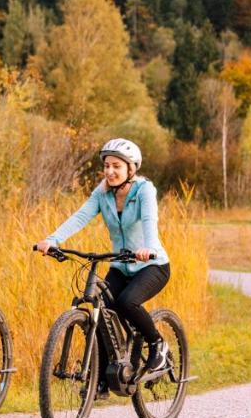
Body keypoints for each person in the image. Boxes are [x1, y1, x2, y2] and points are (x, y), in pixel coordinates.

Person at [34, 138, 172, 375]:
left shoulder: (144, 190)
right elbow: (80, 217)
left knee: (127, 301)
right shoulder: (103, 192)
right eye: (107, 165)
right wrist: (53, 240)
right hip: (121, 265)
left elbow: (150, 221)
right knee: (102, 310)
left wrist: (149, 249)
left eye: (116, 166)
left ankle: (158, 345)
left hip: (152, 265)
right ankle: (101, 378)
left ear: (131, 168)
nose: (109, 171)